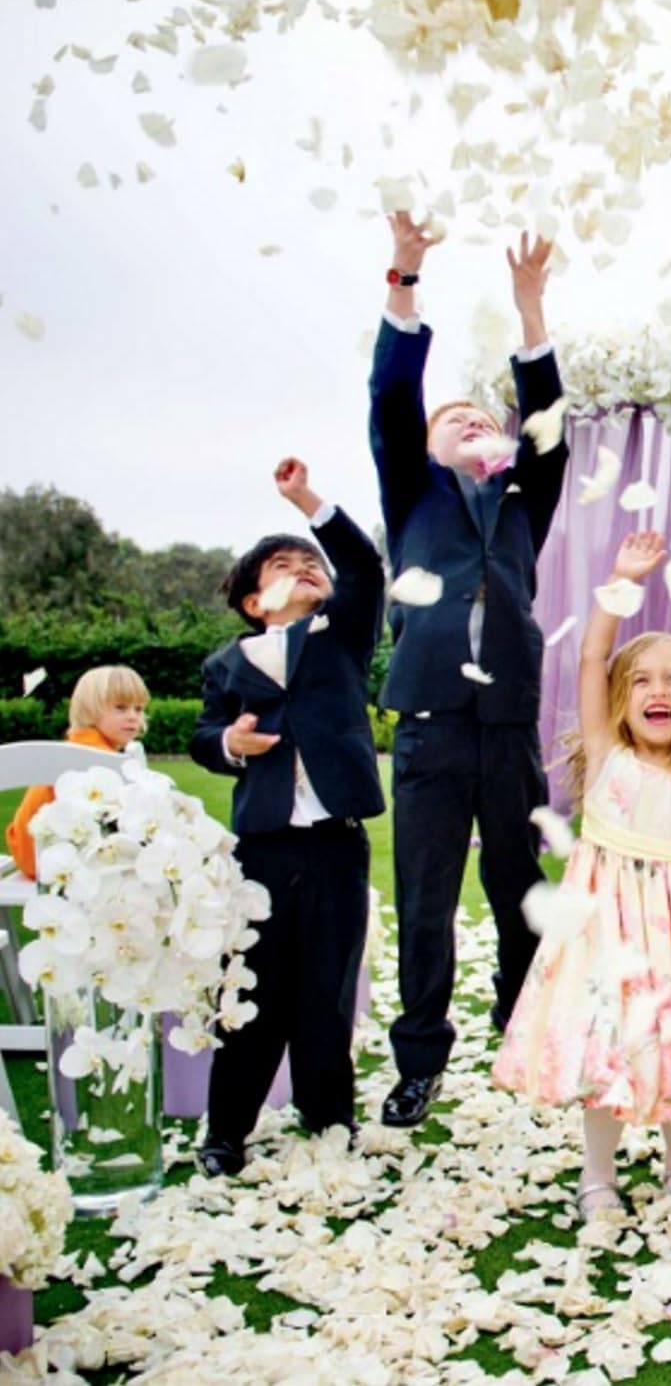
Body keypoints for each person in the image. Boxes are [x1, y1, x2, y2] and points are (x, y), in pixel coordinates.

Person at [492, 532, 671, 1217]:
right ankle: (597, 1175)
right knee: (605, 1041)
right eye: (642, 680)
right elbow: (592, 654)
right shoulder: (605, 752)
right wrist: (621, 581)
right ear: (620, 697)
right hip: (604, 928)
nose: (659, 690)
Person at [371, 213, 569, 1130]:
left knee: (520, 888)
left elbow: (548, 426)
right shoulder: (412, 493)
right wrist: (404, 274)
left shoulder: (524, 499)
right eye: (457, 419)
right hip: (430, 726)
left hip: (508, 725)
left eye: (484, 419)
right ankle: (419, 1059)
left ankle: (522, 1024)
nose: (473, 423)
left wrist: (531, 310)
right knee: (426, 900)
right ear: (428, 447)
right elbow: (390, 395)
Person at [189, 458, 386, 1176]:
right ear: (252, 601)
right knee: (251, 985)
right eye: (283, 564)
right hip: (264, 846)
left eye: (311, 564)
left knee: (328, 988)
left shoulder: (341, 634)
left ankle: (328, 1117)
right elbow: (203, 737)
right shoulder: (225, 665)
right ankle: (226, 1131)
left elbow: (363, 568)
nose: (304, 568)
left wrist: (307, 501)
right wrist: (229, 744)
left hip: (336, 841)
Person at [6, 667, 149, 879]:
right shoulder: (101, 759)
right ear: (90, 710)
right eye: (121, 708)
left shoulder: (71, 749)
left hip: (27, 853)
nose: (133, 717)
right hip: (59, 861)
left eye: (138, 709)